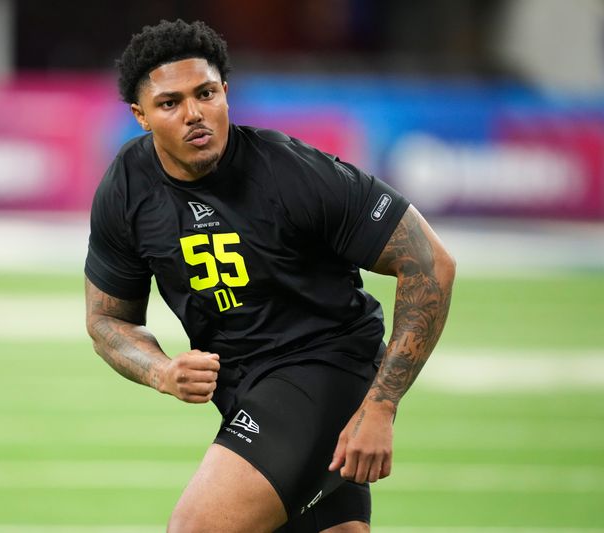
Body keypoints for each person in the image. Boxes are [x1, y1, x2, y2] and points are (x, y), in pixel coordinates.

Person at [84, 19, 455, 533]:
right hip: (243, 387)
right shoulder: (127, 186)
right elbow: (107, 320)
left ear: (226, 93)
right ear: (140, 115)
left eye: (206, 93)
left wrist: (381, 405)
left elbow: (431, 263)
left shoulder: (290, 172)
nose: (195, 114)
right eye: (170, 103)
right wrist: (161, 371)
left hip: (322, 368)